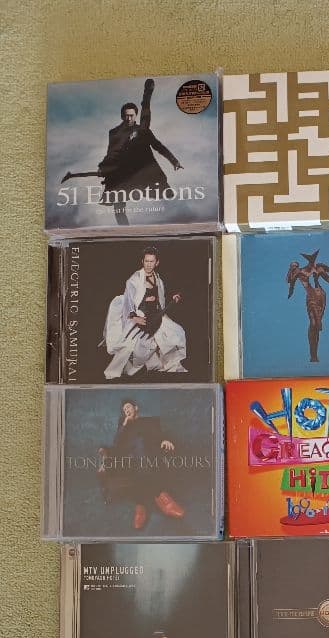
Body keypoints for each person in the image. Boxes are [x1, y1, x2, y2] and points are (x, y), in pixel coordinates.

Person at [99, 79, 183, 225]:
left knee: (165, 193)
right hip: (123, 170)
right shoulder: (114, 133)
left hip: (142, 168)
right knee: (118, 202)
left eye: (131, 115)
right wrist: (104, 167)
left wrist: (174, 161)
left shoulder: (142, 130)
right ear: (122, 116)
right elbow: (111, 152)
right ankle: (124, 230)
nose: (129, 118)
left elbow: (158, 146)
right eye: (126, 115)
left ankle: (177, 222)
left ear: (135, 115)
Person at [97, 399, 185, 529]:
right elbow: (117, 444)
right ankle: (160, 494)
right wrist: (125, 425)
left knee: (141, 443)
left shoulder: (150, 421)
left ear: (136, 408)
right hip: (127, 457)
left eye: (128, 407)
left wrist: (165, 440)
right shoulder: (123, 424)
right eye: (124, 410)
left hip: (147, 454)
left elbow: (159, 435)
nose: (126, 411)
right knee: (139, 446)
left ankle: (141, 504)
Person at [103, 247, 187, 379]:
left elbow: (161, 297)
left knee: (175, 333)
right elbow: (128, 300)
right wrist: (134, 317)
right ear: (142, 261)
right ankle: (113, 373)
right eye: (146, 261)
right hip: (140, 315)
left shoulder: (158, 279)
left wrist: (173, 297)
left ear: (157, 263)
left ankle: (171, 366)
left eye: (151, 261)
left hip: (156, 316)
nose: (148, 264)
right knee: (129, 347)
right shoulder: (134, 279)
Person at [286, 251, 329, 363]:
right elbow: (289, 281)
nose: (313, 262)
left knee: (316, 328)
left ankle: (314, 355)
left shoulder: (319, 268)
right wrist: (291, 268)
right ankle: (313, 353)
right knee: (314, 323)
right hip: (311, 297)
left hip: (321, 296)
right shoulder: (300, 271)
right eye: (311, 259)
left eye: (313, 259)